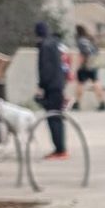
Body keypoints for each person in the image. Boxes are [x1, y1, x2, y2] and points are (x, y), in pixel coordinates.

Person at [33, 20, 67, 158]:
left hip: (51, 87)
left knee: (53, 118)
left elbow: (45, 69)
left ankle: (60, 150)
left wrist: (41, 86)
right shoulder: (55, 44)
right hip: (58, 85)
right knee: (57, 117)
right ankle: (61, 148)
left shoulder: (45, 46)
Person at [74, 25, 105, 112]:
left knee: (80, 83)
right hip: (93, 63)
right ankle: (102, 102)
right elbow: (96, 51)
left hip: (85, 63)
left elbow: (83, 54)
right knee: (96, 81)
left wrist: (80, 64)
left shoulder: (80, 41)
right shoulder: (90, 39)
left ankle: (77, 103)